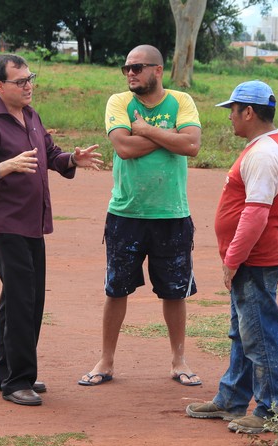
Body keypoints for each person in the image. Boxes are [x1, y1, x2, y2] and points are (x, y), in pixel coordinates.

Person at [0, 54, 102, 406]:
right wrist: (5, 166)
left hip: (33, 224)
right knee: (24, 302)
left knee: (20, 300)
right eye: (20, 81)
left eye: (31, 78)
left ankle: (5, 373)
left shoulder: (30, 116)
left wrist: (71, 160)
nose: (29, 86)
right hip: (6, 225)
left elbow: (50, 154)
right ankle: (18, 382)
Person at [78, 44, 202, 387]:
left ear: (158, 70)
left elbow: (192, 145)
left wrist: (145, 130)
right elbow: (123, 148)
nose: (130, 73)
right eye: (127, 68)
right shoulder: (119, 102)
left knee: (174, 292)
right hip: (126, 212)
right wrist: (170, 137)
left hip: (172, 213)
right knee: (116, 289)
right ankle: (106, 360)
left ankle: (179, 359)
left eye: (138, 68)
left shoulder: (181, 101)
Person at [186, 80, 278, 434]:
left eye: (233, 110)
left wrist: (233, 259)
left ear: (249, 112)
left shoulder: (262, 154)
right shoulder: (260, 147)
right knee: (243, 333)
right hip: (251, 259)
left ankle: (271, 411)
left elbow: (256, 214)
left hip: (256, 260)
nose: (229, 116)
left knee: (259, 335)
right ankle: (232, 398)